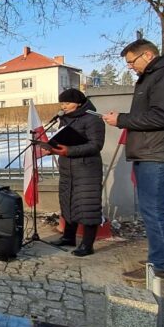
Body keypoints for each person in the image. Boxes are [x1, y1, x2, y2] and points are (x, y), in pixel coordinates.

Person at [103, 39, 164, 283]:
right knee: (157, 211)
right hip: (153, 151)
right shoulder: (158, 75)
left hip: (160, 153)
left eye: (132, 61)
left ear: (148, 55)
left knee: (153, 211)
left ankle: (160, 267)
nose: (130, 66)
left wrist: (122, 119)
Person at [44, 89, 105, 257]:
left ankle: (87, 244)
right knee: (68, 201)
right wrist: (52, 149)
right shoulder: (65, 119)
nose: (64, 107)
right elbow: (64, 140)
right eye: (62, 104)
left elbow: (95, 145)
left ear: (78, 102)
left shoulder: (93, 119)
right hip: (67, 168)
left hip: (87, 169)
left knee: (87, 205)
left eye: (67, 103)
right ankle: (68, 237)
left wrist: (68, 150)